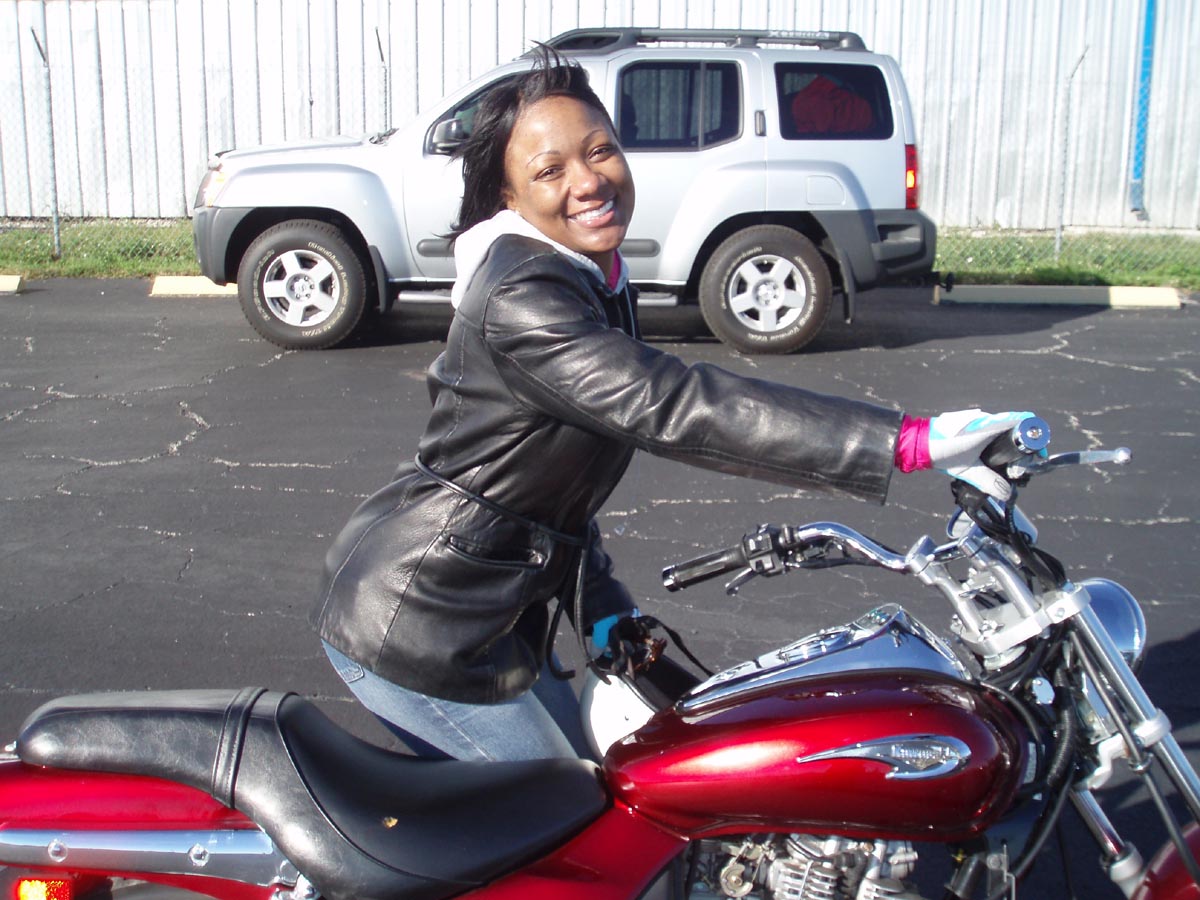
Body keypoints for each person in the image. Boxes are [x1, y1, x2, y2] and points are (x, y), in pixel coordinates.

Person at [312, 47, 1034, 762]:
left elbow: (550, 489)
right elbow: (672, 402)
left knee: (613, 775)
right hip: (415, 623)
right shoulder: (521, 296)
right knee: (560, 816)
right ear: (510, 197)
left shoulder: (588, 271)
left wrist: (603, 605)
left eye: (600, 151)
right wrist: (907, 441)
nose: (588, 181)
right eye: (550, 170)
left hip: (492, 611)